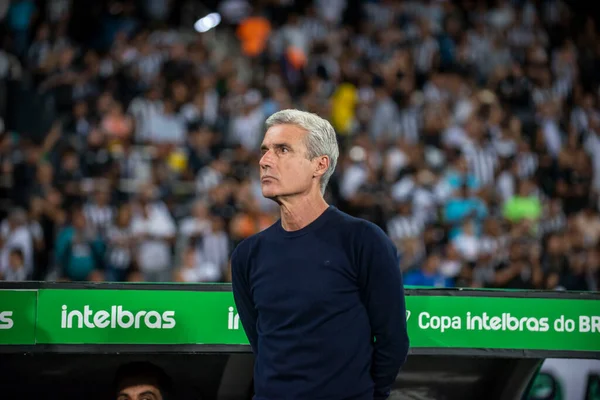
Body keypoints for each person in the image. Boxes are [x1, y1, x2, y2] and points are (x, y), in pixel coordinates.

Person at [231, 109, 410, 400]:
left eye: (283, 150)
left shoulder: (363, 241)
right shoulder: (247, 256)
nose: (264, 161)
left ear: (319, 165)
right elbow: (261, 344)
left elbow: (393, 342)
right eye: (264, 151)